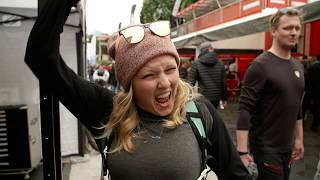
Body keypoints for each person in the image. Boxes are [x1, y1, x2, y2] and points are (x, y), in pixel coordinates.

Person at [24, 0, 253, 180]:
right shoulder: (107, 111)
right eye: (149, 75)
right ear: (129, 83)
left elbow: (236, 175)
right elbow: (41, 57)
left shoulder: (199, 113)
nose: (164, 82)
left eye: (170, 69)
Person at [236, 8, 305, 180]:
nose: (294, 32)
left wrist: (299, 139)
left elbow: (297, 105)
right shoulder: (260, 66)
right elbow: (244, 109)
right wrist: (242, 152)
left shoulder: (298, 66)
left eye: (297, 28)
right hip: (266, 148)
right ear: (273, 31)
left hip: (286, 147)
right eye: (288, 28)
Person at [188, 42, 228, 109]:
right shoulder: (220, 63)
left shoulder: (196, 63)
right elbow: (223, 83)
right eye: (212, 48)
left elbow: (190, 83)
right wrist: (224, 98)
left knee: (204, 116)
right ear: (210, 49)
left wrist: (187, 98)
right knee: (213, 115)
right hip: (216, 97)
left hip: (203, 96)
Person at [305, 54, 320, 131]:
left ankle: (302, 124)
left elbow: (307, 78)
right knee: (317, 108)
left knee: (304, 106)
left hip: (311, 89)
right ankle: (315, 126)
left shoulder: (312, 67)